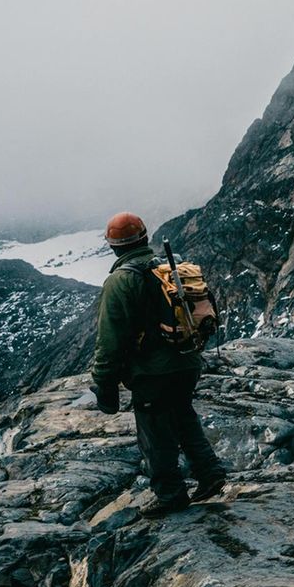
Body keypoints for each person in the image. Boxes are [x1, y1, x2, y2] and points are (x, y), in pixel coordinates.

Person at [90, 212, 226, 517]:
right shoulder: (167, 268)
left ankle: (170, 494)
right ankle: (209, 473)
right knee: (183, 416)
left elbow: (110, 340)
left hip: (153, 371)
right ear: (144, 237)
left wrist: (104, 381)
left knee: (154, 431)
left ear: (113, 246)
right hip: (187, 359)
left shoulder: (120, 281)